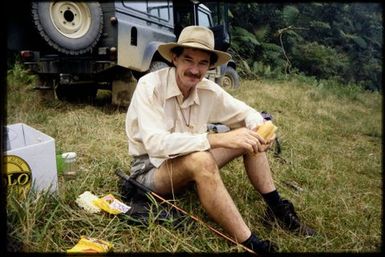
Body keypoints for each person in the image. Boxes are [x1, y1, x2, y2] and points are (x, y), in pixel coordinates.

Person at [125, 25, 315, 253]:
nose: (195, 70)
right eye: (188, 60)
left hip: (188, 161)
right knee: (202, 160)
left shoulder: (208, 90)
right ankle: (250, 243)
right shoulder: (150, 86)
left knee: (249, 138)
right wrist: (219, 139)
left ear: (210, 66)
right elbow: (156, 144)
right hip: (150, 171)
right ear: (174, 58)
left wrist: (261, 128)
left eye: (203, 63)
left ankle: (276, 210)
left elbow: (247, 113)